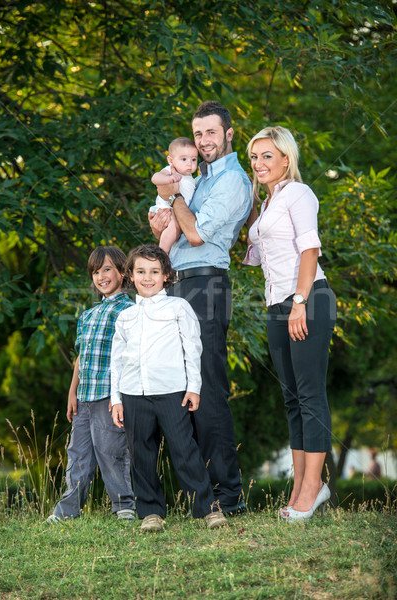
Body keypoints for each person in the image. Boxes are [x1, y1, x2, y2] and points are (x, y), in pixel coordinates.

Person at [149, 101, 252, 515]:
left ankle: (229, 496)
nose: (204, 141)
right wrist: (163, 217)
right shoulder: (199, 178)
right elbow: (171, 228)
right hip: (177, 284)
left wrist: (172, 198)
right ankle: (201, 497)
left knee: (207, 389)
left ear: (229, 133)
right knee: (180, 388)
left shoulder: (233, 181)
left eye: (211, 132)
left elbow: (192, 234)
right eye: (198, 134)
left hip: (206, 286)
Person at [243, 126, 336, 522]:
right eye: (254, 157)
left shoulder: (299, 193)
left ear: (286, 159)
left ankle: (314, 488)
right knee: (292, 398)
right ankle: (300, 487)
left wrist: (299, 302)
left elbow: (309, 248)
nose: (259, 163)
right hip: (276, 303)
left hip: (308, 299)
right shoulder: (267, 204)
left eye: (267, 155)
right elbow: (259, 255)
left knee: (311, 395)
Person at [110, 244, 228, 532]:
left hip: (172, 391)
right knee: (141, 454)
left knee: (185, 450)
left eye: (154, 271)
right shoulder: (125, 316)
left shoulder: (178, 307)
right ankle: (150, 513)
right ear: (130, 275)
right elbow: (117, 361)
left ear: (166, 276)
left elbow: (193, 348)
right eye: (140, 271)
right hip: (133, 393)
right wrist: (116, 399)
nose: (147, 277)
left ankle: (207, 509)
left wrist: (194, 388)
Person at [46, 246, 135, 523]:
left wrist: (119, 395)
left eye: (107, 269)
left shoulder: (130, 310)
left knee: (112, 452)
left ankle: (124, 506)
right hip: (84, 396)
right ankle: (68, 509)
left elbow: (131, 358)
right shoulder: (87, 315)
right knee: (78, 453)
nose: (100, 276)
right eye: (95, 272)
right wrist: (73, 392)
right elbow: (80, 357)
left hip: (109, 396)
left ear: (122, 272)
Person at [149, 137, 198, 254]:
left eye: (194, 159)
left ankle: (167, 254)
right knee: (174, 226)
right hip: (166, 209)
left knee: (177, 228)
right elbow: (155, 178)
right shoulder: (170, 170)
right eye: (184, 159)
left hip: (178, 212)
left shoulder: (192, 179)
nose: (189, 164)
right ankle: (162, 253)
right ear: (171, 160)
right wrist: (168, 178)